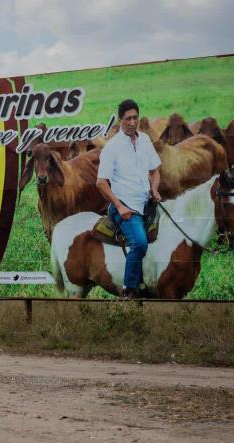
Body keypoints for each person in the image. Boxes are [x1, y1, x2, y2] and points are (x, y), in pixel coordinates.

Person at [96, 99, 162, 299]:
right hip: (125, 208)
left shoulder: (144, 140)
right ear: (120, 120)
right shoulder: (112, 147)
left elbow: (155, 171)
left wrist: (154, 189)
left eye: (135, 118)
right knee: (140, 243)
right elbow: (101, 182)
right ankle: (129, 291)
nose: (132, 122)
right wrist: (119, 206)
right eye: (128, 119)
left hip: (147, 203)